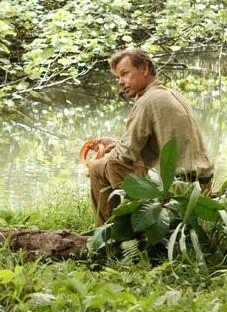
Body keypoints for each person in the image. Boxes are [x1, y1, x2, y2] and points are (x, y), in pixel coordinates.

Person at [86, 49, 214, 226]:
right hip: (200, 183)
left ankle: (110, 234)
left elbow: (124, 155)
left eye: (125, 74)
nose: (121, 82)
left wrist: (102, 156)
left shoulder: (148, 100)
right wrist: (115, 144)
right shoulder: (168, 94)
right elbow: (151, 145)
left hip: (179, 188)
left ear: (144, 69)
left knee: (100, 166)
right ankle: (120, 229)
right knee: (109, 162)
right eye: (118, 77)